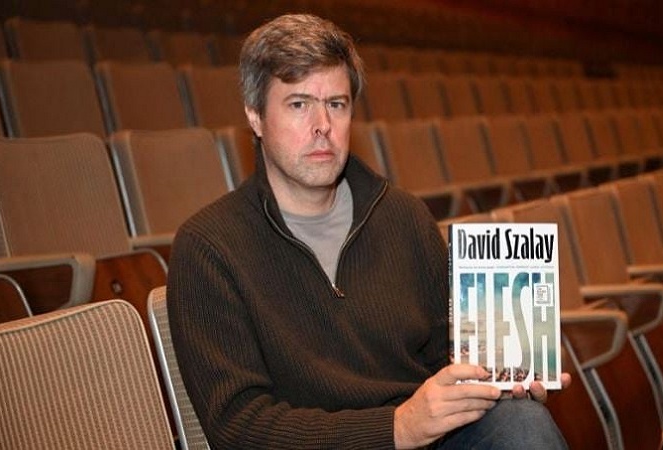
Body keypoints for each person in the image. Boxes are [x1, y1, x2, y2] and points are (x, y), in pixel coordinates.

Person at [167, 13, 571, 449]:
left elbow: (445, 359)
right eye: (299, 104)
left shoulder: (404, 217)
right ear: (255, 117)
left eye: (336, 104)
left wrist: (500, 378)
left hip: (428, 438)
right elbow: (238, 427)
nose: (322, 125)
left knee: (522, 420)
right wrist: (395, 428)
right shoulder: (209, 248)